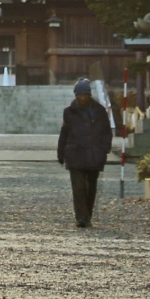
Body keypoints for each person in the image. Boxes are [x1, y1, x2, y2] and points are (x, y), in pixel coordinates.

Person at [57, 78, 113, 228]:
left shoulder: (99, 111)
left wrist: (104, 149)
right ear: (76, 95)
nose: (82, 98)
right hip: (75, 154)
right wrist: (61, 152)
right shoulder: (69, 112)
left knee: (91, 187)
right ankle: (81, 217)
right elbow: (65, 132)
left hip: (94, 155)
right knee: (78, 187)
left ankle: (87, 213)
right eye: (79, 95)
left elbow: (106, 132)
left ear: (89, 95)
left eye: (84, 94)